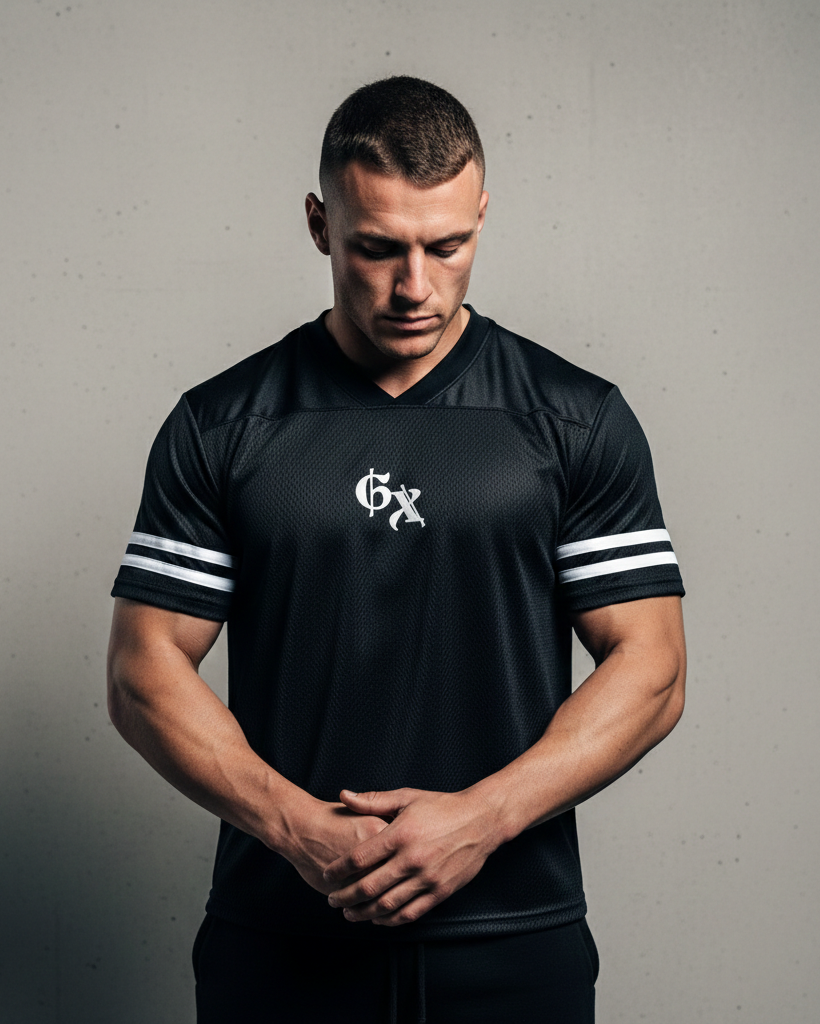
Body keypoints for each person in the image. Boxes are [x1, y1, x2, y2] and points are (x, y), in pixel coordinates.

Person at [107, 75, 686, 1024]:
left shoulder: (575, 421)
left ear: (482, 215)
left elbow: (652, 668)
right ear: (319, 224)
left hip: (513, 939)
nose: (415, 286)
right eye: (377, 248)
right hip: (281, 943)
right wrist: (299, 829)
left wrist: (482, 820)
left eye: (446, 246)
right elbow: (143, 672)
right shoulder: (222, 427)